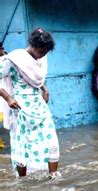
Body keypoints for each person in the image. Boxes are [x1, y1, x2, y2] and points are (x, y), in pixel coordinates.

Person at [0, 28, 60, 178]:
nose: (44, 55)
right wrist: (8, 98)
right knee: (23, 145)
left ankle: (53, 177)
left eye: (46, 52)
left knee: (51, 140)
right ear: (33, 45)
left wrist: (45, 89)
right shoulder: (13, 59)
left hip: (39, 105)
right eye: (42, 51)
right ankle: (23, 181)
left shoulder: (39, 59)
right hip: (20, 106)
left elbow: (37, 79)